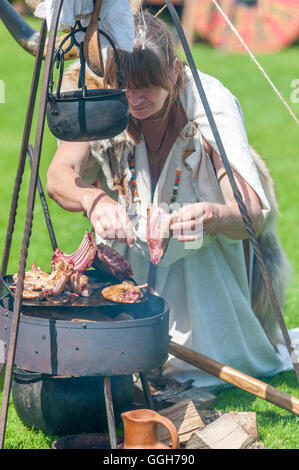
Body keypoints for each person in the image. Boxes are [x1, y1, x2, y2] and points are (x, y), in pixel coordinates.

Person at [46, 12, 293, 389]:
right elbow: (58, 176)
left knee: (205, 365)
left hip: (207, 261)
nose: (135, 98)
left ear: (175, 71)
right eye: (126, 85)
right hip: (127, 258)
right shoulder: (105, 91)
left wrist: (212, 214)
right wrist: (93, 199)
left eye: (148, 86)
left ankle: (207, 341)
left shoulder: (211, 101)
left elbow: (251, 212)